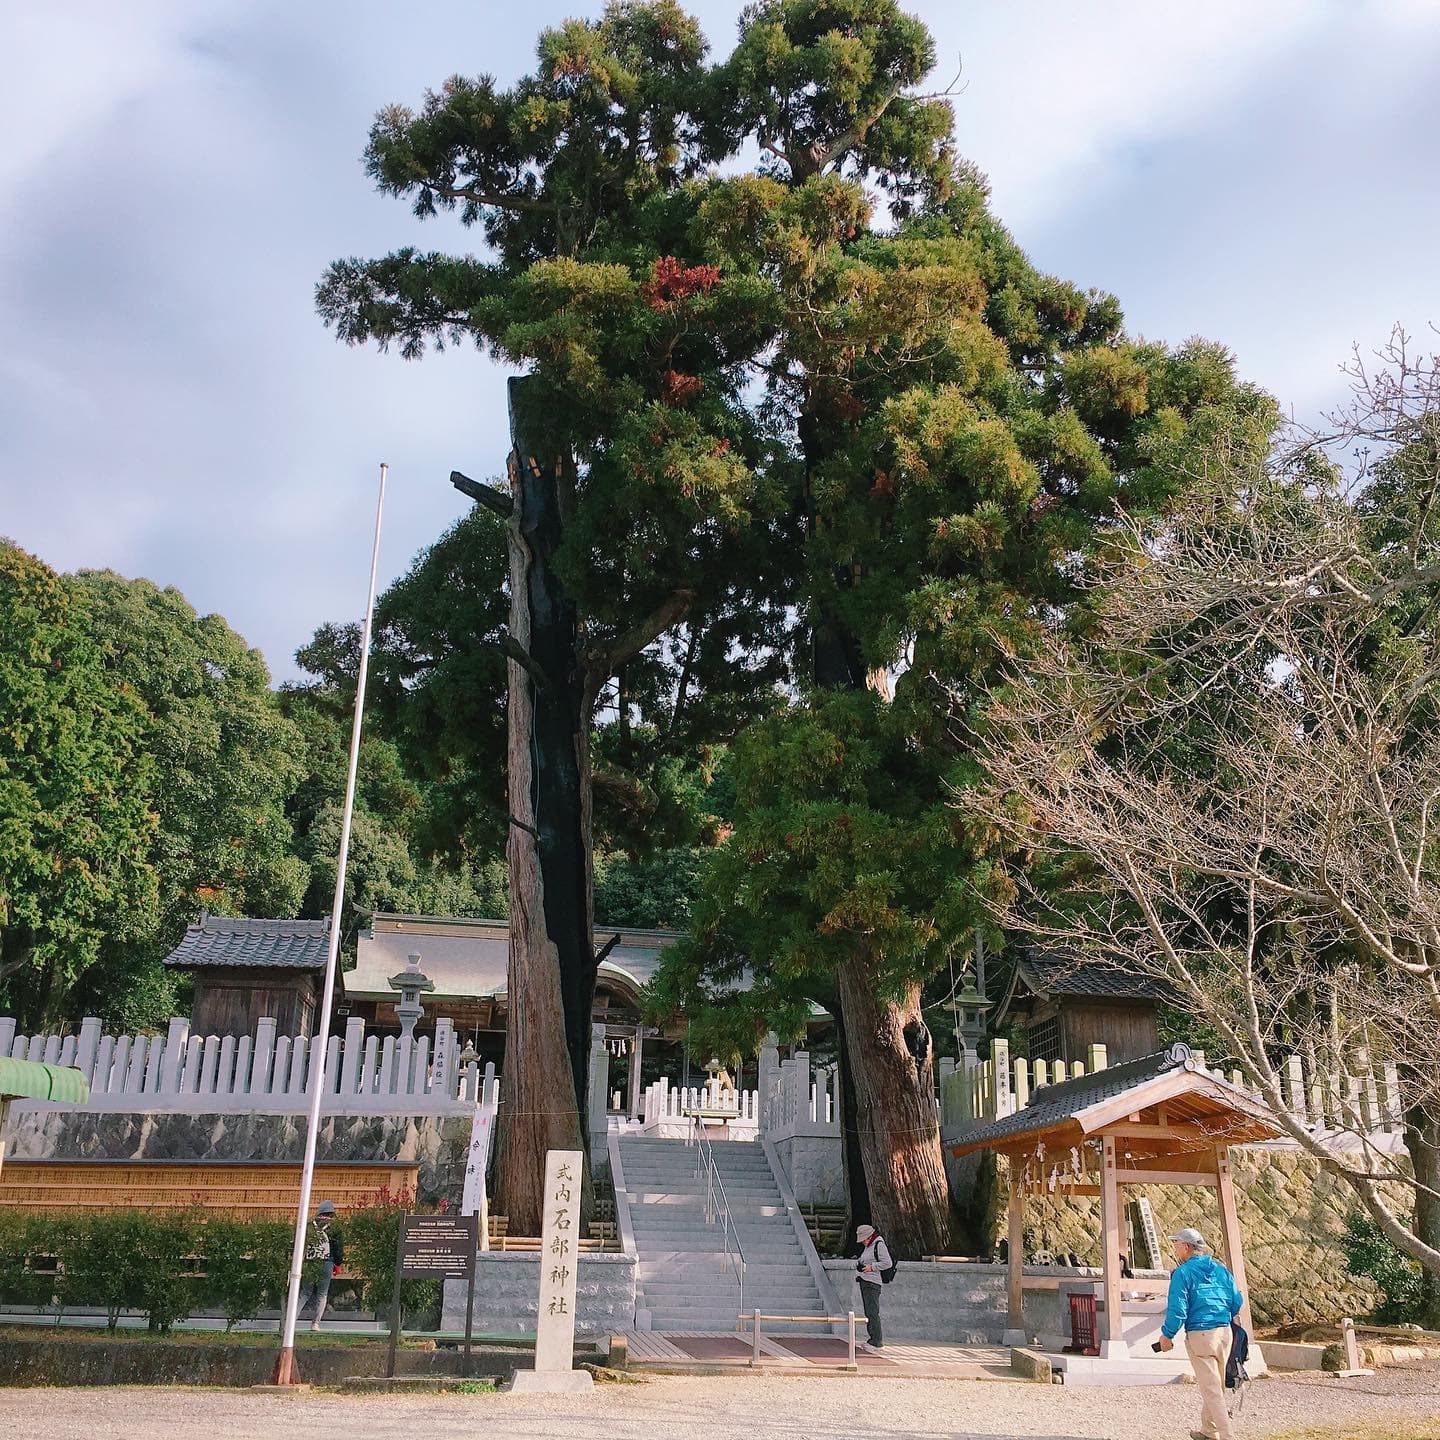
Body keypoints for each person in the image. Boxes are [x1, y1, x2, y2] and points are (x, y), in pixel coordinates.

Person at [1157, 1227, 1244, 1440]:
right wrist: (1223, 1315)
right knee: (1216, 1384)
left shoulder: (1182, 1273)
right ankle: (1208, 1430)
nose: (1175, 1247)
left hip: (1200, 1334)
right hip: (1224, 1332)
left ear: (1186, 1247)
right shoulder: (1221, 1269)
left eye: (1177, 1243)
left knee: (1212, 1389)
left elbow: (1178, 1310)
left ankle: (1227, 1436)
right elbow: (1236, 1301)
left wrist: (1167, 1335)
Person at [298, 1199, 345, 1331]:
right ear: (332, 1213)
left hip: (310, 1262)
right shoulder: (335, 1228)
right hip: (327, 1262)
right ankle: (315, 1323)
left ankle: (292, 1318)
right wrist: (338, 1263)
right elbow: (338, 1248)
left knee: (304, 1293)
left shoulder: (309, 1226)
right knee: (322, 1294)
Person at [854, 1223, 892, 1350]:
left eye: (864, 1239)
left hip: (873, 1283)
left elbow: (887, 1263)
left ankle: (876, 1341)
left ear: (869, 1236)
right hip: (865, 1281)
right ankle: (872, 1338)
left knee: (872, 1312)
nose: (863, 1242)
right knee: (869, 1311)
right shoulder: (869, 1246)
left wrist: (872, 1267)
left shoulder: (878, 1245)